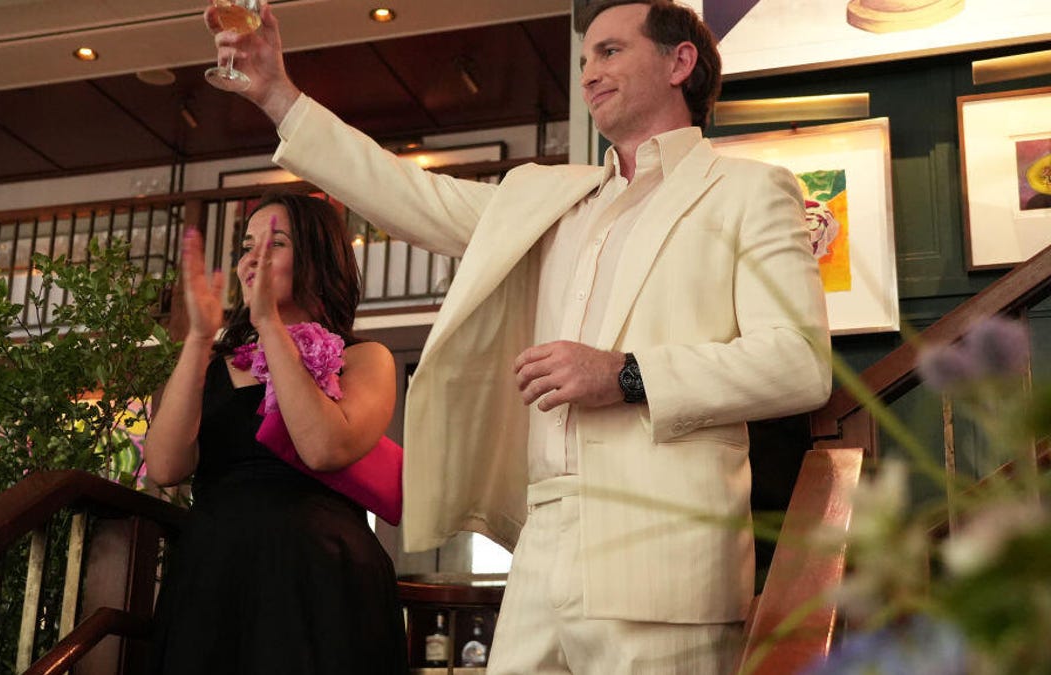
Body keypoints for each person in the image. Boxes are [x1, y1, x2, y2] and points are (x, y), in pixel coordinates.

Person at [207, 0, 832, 671]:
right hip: (541, 541)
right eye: (585, 58)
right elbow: (406, 194)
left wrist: (624, 373)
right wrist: (277, 95)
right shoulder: (549, 198)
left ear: (680, 62)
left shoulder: (749, 191)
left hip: (666, 551)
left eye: (611, 51)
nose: (589, 73)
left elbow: (799, 362)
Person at [143, 192, 408, 674]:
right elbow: (164, 467)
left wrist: (269, 323)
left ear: (317, 259)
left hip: (320, 578)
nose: (252, 259)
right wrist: (200, 338)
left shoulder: (366, 359)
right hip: (215, 574)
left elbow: (324, 448)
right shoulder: (215, 364)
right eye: (247, 247)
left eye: (274, 244)